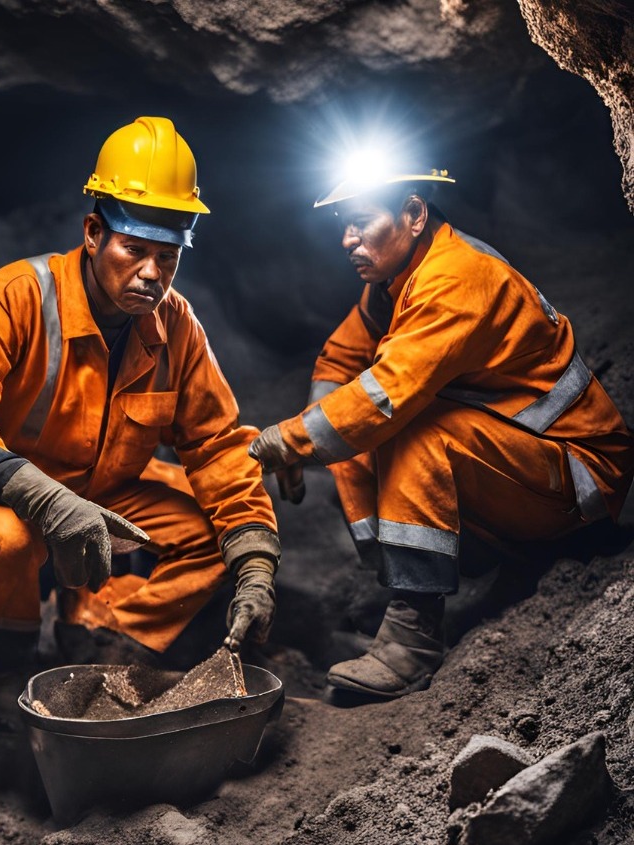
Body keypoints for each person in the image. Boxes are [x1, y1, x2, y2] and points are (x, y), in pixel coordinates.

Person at [0, 116, 281, 716]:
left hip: (107, 496)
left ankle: (97, 645)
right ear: (92, 233)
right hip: (7, 499)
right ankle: (4, 673)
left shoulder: (177, 326)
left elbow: (216, 446)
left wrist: (256, 561)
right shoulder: (16, 297)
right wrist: (47, 500)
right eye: (134, 250)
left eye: (168, 256)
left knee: (215, 535)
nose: (151, 273)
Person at [249, 164, 634, 700]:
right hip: (524, 463)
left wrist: (288, 441)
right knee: (347, 437)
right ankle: (404, 585)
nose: (346, 239)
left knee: (407, 431)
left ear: (413, 215)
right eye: (343, 224)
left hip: (579, 473)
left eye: (361, 222)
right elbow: (341, 359)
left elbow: (384, 396)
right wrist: (308, 442)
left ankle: (412, 638)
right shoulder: (395, 282)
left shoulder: (454, 280)